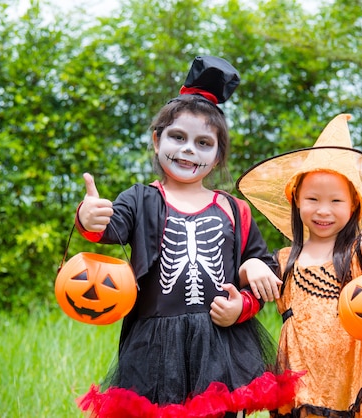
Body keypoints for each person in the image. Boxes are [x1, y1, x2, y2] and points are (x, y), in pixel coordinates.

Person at [74, 56, 301, 418]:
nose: (189, 150)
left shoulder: (233, 208)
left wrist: (245, 295)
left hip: (220, 343)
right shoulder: (140, 198)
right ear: (156, 140)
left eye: (203, 143)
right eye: (178, 137)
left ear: (217, 154)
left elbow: (258, 266)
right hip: (154, 344)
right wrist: (89, 216)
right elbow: (107, 229)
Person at [237, 113, 362, 418]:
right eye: (313, 199)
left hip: (350, 372)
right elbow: (251, 284)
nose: (323, 211)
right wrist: (250, 265)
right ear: (296, 201)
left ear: (354, 205)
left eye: (336, 201)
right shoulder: (283, 259)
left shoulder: (356, 254)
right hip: (300, 371)